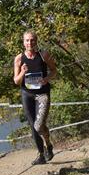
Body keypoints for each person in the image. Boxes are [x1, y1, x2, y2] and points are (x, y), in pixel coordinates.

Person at [13, 30, 57, 165]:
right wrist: (22, 72)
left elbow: (54, 71)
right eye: (27, 40)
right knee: (33, 126)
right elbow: (16, 81)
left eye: (32, 40)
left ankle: (48, 144)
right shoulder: (19, 58)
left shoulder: (44, 55)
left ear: (36, 41)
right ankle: (41, 155)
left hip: (42, 94)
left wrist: (46, 79)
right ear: (23, 42)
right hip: (27, 94)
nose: (29, 43)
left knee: (39, 125)